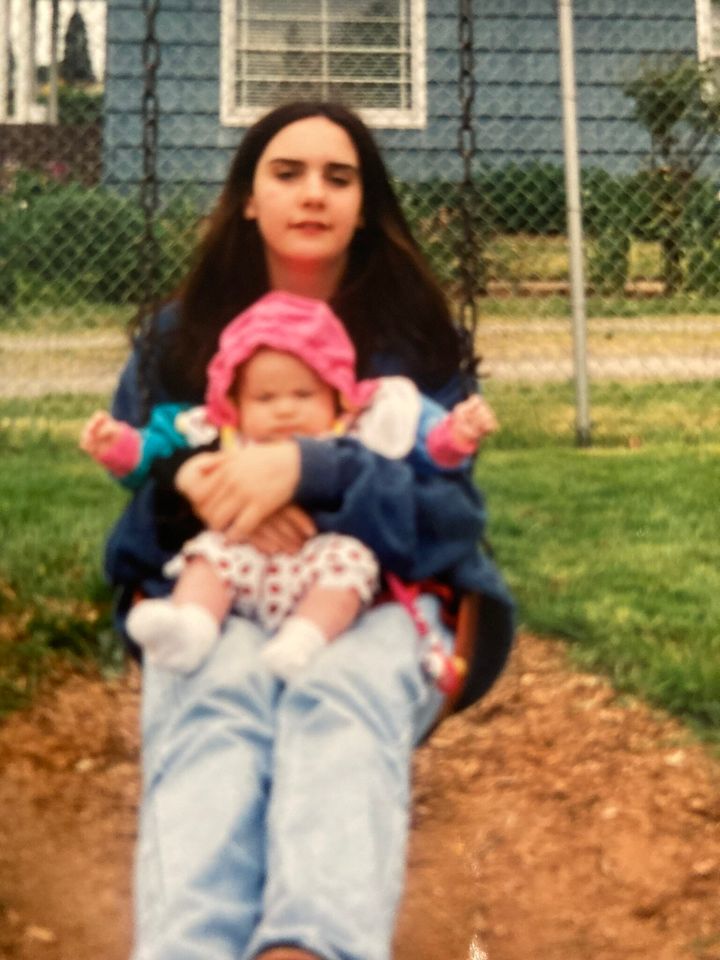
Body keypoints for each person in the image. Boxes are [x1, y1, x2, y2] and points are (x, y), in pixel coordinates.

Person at [102, 100, 515, 960]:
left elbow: (449, 517)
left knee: (343, 699)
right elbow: (139, 515)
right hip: (219, 591)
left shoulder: (412, 338)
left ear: (366, 203)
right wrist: (197, 485)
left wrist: (311, 470)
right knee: (217, 701)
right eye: (286, 172)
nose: (314, 194)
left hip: (379, 598)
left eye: (340, 176)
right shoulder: (180, 340)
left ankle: (311, 948)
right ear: (248, 197)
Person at [82, 290, 497, 683]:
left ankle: (304, 639)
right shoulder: (216, 431)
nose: (284, 408)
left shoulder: (355, 429)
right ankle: (192, 627)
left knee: (350, 565)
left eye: (303, 393)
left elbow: (422, 452)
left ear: (337, 397)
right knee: (207, 559)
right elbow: (151, 451)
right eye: (265, 398)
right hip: (242, 559)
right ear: (235, 403)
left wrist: (454, 437)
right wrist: (118, 447)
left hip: (319, 560)